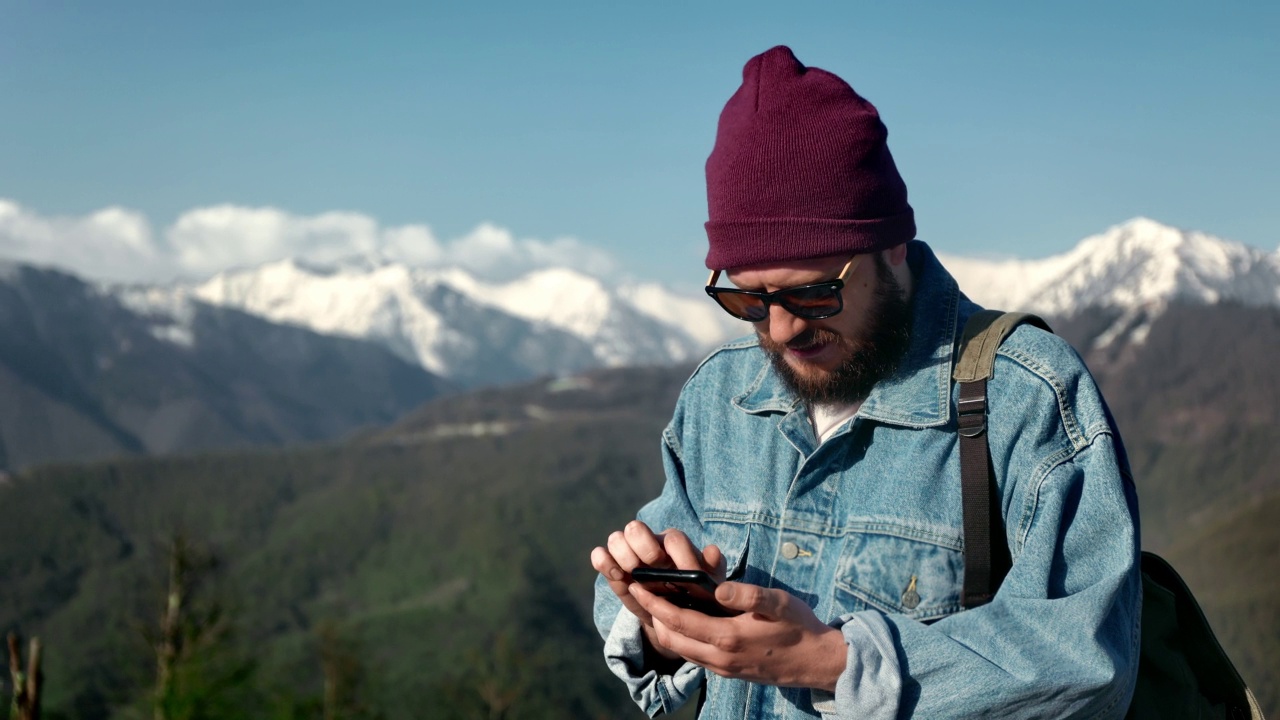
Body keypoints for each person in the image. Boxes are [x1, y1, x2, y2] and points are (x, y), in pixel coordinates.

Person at [589, 45, 1141, 719]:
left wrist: (839, 666)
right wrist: (666, 616)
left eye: (814, 294)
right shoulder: (719, 398)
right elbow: (660, 655)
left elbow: (1088, 661)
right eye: (748, 299)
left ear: (891, 247)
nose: (782, 329)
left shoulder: (1024, 397)